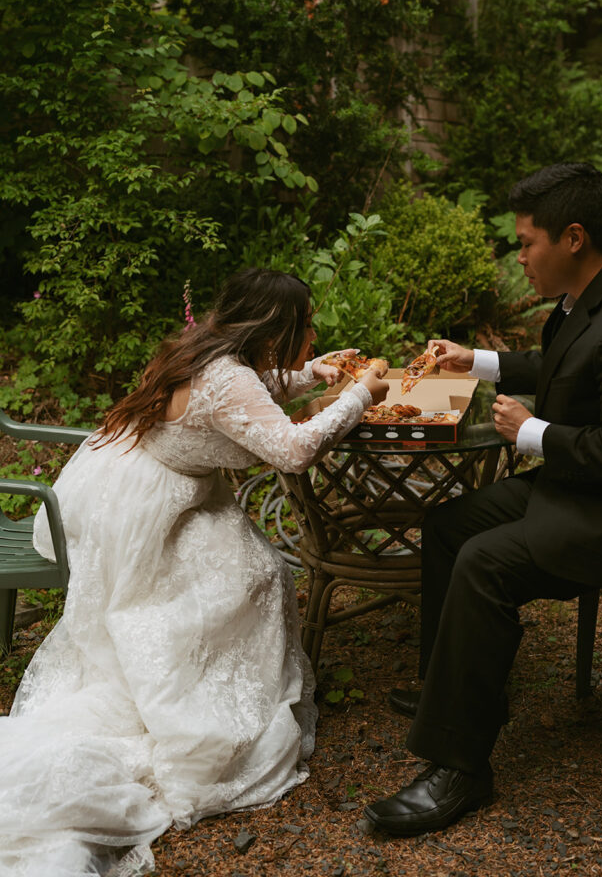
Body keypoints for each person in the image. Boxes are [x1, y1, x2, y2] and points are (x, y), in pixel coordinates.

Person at [0, 267, 389, 877]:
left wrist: (311, 375)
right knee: (250, 576)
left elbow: (245, 399)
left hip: (137, 476)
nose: (312, 331)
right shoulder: (228, 377)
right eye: (305, 326)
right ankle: (202, 699)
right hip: (146, 503)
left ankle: (223, 667)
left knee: (254, 564)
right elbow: (290, 449)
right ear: (273, 328)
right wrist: (360, 394)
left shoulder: (206, 347)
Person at [364, 162, 602, 836]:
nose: (519, 257)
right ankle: (449, 690)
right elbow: (564, 365)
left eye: (524, 241)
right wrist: (472, 360)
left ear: (572, 237)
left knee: (485, 560)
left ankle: (460, 768)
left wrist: (531, 432)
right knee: (450, 525)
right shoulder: (589, 297)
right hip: (582, 491)